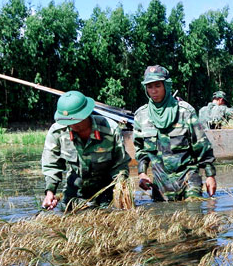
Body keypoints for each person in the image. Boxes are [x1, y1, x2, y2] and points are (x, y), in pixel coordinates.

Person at [133, 65, 217, 201]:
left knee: (194, 213)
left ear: (166, 86)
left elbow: (201, 146)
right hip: (160, 184)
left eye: (157, 86)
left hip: (188, 179)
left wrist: (210, 175)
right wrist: (142, 173)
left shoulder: (185, 112)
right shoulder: (141, 116)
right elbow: (141, 150)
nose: (153, 91)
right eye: (149, 87)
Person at [41, 91, 131, 211]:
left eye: (76, 120)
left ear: (86, 114)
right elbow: (52, 165)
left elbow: (120, 165)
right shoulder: (57, 132)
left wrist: (121, 190)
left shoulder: (110, 129)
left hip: (106, 190)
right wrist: (50, 192)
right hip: (74, 191)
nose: (73, 125)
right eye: (69, 122)